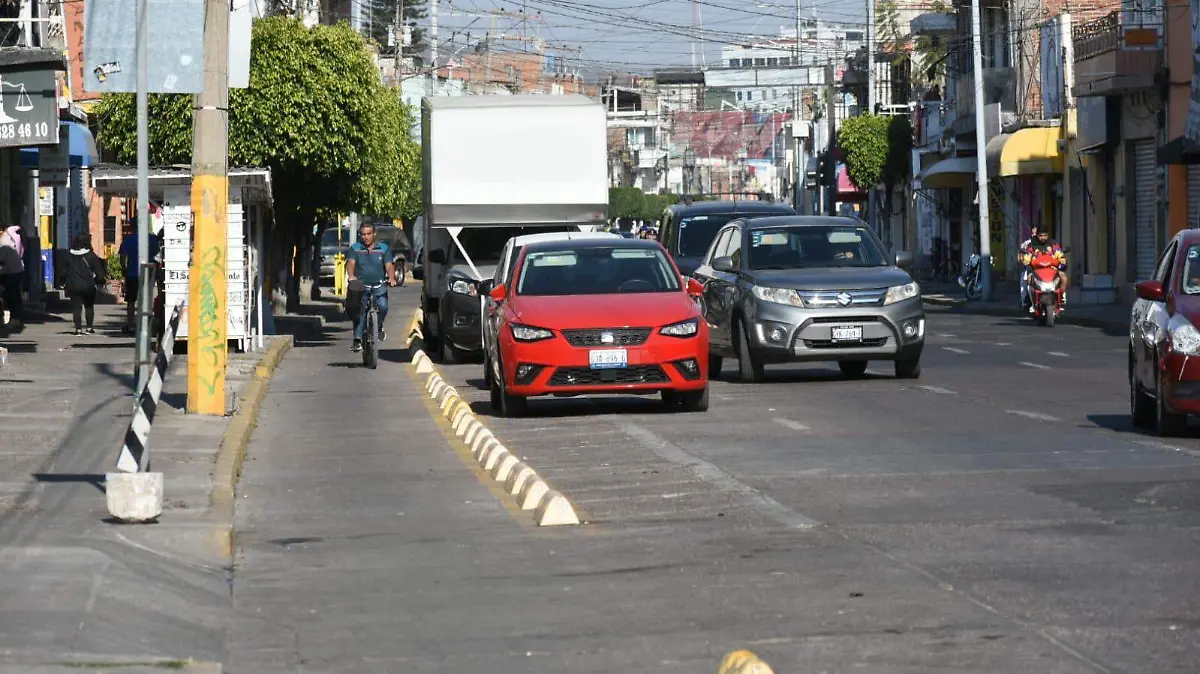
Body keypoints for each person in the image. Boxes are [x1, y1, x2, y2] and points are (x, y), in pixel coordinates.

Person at [345, 222, 398, 353]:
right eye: (363, 234)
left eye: (369, 234)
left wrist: (391, 278)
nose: (366, 237)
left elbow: (389, 265)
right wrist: (351, 276)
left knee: (383, 305)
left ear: (374, 234)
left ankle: (378, 328)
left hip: (379, 285)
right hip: (361, 287)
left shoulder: (383, 248)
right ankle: (357, 340)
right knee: (361, 310)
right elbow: (350, 263)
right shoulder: (355, 248)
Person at [118, 219, 161, 334]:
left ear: (132, 227)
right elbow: (158, 256)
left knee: (131, 301)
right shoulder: (152, 239)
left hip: (132, 273)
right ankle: (146, 325)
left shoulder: (128, 240)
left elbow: (122, 257)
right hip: (148, 272)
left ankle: (130, 324)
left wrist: (124, 269)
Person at [65, 233, 106, 335]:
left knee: (76, 308)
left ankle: (78, 329)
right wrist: (99, 282)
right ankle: (89, 327)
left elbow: (64, 271)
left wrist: (64, 283)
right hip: (88, 286)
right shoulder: (91, 256)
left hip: (73, 285)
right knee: (89, 307)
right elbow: (100, 273)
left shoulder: (69, 255)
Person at [1019, 227, 1069, 308]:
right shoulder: (1031, 245)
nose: (1043, 237)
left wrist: (1062, 264)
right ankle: (1029, 299)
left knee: (1064, 278)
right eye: (1041, 235)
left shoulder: (1053, 244)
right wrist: (1028, 266)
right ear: (1037, 235)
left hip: (1052, 270)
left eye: (1045, 235)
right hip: (1036, 270)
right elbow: (1027, 257)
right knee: (1028, 279)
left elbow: (1060, 255)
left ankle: (1061, 297)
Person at [0, 228, 23, 330]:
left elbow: (1, 258)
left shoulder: (4, 241)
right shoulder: (9, 239)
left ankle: (14, 319)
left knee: (11, 296)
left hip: (11, 272)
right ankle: (16, 319)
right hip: (16, 271)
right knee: (15, 296)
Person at [1016, 226, 1037, 309]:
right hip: (1029, 268)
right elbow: (1019, 257)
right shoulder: (1026, 244)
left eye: (1036, 233)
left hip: (1042, 268)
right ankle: (1025, 300)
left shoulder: (1047, 244)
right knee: (1024, 284)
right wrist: (1023, 259)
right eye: (1033, 233)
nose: (1034, 235)